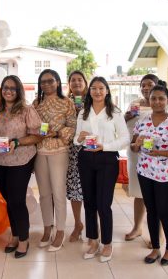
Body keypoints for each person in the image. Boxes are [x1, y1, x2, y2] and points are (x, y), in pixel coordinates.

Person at [130, 84, 168, 266]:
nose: (157, 102)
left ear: (167, 101)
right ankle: (155, 248)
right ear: (149, 100)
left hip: (166, 174)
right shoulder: (142, 121)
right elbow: (133, 147)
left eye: (161, 98)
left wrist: (161, 153)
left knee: (164, 211)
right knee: (151, 210)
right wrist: (137, 144)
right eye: (154, 98)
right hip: (145, 171)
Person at [0, 75, 42, 258]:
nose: (8, 91)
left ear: (18, 91)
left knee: (17, 200)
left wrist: (17, 142)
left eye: (13, 88)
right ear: (1, 89)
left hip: (21, 159)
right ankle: (15, 235)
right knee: (9, 200)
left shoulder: (27, 110)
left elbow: (37, 135)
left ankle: (23, 240)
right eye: (5, 87)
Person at [74, 77, 129, 262]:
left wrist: (104, 146)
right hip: (86, 159)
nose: (97, 91)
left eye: (101, 88)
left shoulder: (115, 112)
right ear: (89, 91)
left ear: (107, 91)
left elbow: (125, 139)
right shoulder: (83, 112)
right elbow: (75, 139)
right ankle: (93, 240)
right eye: (94, 88)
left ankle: (107, 243)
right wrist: (80, 138)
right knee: (89, 203)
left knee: (103, 204)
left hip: (106, 160)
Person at [124, 74, 168, 245]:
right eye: (143, 85)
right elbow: (127, 129)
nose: (146, 88)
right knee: (139, 193)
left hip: (160, 159)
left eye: (150, 84)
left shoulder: (167, 106)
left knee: (159, 201)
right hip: (136, 155)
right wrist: (126, 117)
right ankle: (137, 227)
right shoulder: (135, 105)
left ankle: (159, 234)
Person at [33, 69, 76, 252]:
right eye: (43, 82)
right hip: (39, 151)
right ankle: (47, 227)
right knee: (44, 194)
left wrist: (58, 133)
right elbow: (31, 126)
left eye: (50, 81)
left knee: (58, 193)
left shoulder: (67, 102)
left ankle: (60, 231)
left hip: (59, 150)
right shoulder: (36, 103)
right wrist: (37, 132)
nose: (47, 84)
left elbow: (73, 126)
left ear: (58, 82)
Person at [66, 70, 88, 242]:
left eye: (80, 80)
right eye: (73, 80)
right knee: (75, 190)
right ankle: (77, 223)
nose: (76, 83)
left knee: (91, 190)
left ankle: (93, 226)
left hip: (90, 151)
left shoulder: (95, 100)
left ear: (85, 82)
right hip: (72, 152)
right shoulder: (66, 102)